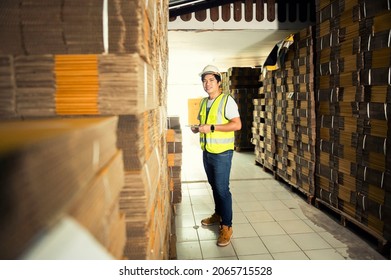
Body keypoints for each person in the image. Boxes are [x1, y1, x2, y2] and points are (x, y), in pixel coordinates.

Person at [191, 65, 242, 247]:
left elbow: (237, 125)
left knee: (222, 189)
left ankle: (227, 226)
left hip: (222, 154)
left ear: (219, 82)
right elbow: (204, 123)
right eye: (204, 81)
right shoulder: (204, 102)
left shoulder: (227, 101)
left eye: (211, 80)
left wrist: (211, 128)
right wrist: (198, 129)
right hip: (208, 151)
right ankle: (218, 213)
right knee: (214, 187)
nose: (207, 84)